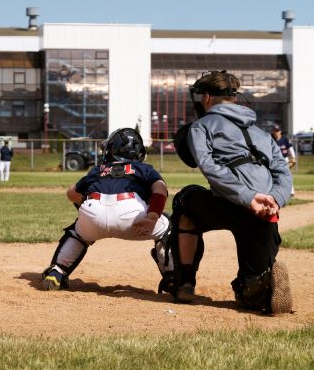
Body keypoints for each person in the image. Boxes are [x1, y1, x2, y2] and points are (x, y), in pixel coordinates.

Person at [165, 71, 293, 314]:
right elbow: (282, 172)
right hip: (264, 209)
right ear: (235, 99)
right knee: (252, 291)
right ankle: (258, 284)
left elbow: (209, 166)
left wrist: (246, 197)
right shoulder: (262, 133)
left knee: (185, 199)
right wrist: (275, 199)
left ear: (206, 98)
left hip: (228, 202)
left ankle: (184, 282)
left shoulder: (201, 126)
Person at [40, 128, 171, 291]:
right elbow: (160, 190)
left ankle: (57, 271)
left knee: (77, 232)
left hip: (93, 209)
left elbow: (71, 193)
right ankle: (173, 277)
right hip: (131, 214)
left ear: (111, 149)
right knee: (167, 226)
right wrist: (152, 217)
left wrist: (84, 209)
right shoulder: (144, 169)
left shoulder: (98, 169)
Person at [271, 124, 296, 197]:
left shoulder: (285, 139)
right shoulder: (271, 139)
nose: (276, 132)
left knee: (287, 175)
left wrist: (293, 157)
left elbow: (290, 148)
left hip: (284, 159)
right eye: (275, 131)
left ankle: (291, 192)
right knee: (274, 176)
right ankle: (275, 192)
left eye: (277, 131)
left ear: (280, 132)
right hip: (274, 160)